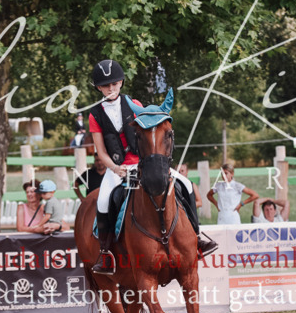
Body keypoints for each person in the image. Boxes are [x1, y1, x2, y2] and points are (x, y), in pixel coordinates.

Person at [88, 59, 215, 273]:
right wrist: (116, 169)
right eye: (105, 85)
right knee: (102, 200)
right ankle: (106, 252)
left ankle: (197, 237)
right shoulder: (95, 114)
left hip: (144, 164)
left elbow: (152, 134)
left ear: (121, 83)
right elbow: (101, 151)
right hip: (117, 168)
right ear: (99, 88)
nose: (111, 88)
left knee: (185, 185)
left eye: (114, 84)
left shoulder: (135, 104)